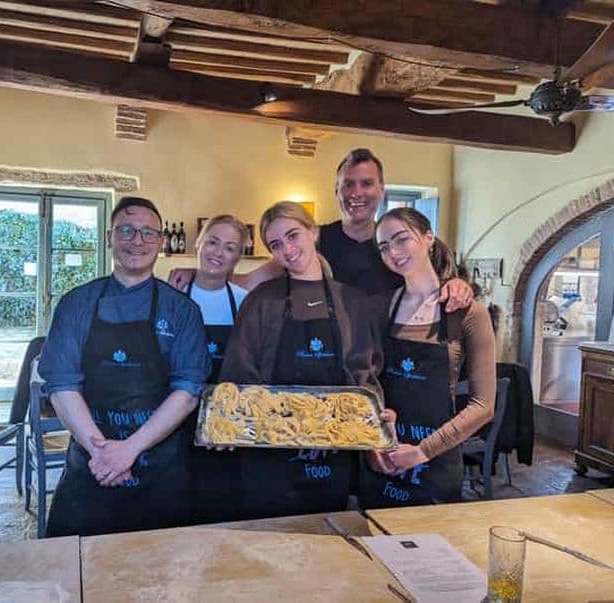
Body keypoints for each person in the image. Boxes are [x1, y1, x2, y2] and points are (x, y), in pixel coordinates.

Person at [38, 196, 210, 537]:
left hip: (161, 475)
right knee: (74, 581)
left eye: (148, 233)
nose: (137, 240)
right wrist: (103, 455)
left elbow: (189, 391)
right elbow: (61, 384)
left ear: (161, 243)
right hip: (91, 467)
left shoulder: (182, 310)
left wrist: (128, 451)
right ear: (109, 237)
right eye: (127, 230)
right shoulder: (76, 303)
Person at [220, 201, 384, 520]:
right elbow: (240, 375)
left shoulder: (352, 301)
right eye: (276, 245)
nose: (287, 250)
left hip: (335, 453)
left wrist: (374, 418)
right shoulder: (262, 300)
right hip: (269, 458)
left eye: (293, 235)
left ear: (314, 232)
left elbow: (366, 375)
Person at [167, 148, 472, 307]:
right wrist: (201, 275)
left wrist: (458, 286)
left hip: (391, 352)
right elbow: (248, 281)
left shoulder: (399, 243)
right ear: (336, 191)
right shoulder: (314, 240)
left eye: (366, 184)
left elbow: (437, 285)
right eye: (348, 185)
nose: (357, 193)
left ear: (381, 189)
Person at [359, 207, 495, 508]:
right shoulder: (380, 308)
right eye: (384, 246)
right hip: (384, 458)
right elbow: (365, 384)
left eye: (401, 239)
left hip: (437, 465)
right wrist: (373, 442)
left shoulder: (468, 313)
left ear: (428, 237)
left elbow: (483, 407)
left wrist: (421, 451)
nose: (393, 252)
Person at [184, 215, 251, 524]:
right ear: (198, 244)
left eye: (229, 247)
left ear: (238, 256)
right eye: (212, 242)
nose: (218, 252)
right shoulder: (173, 298)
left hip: (227, 429)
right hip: (177, 423)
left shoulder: (246, 303)